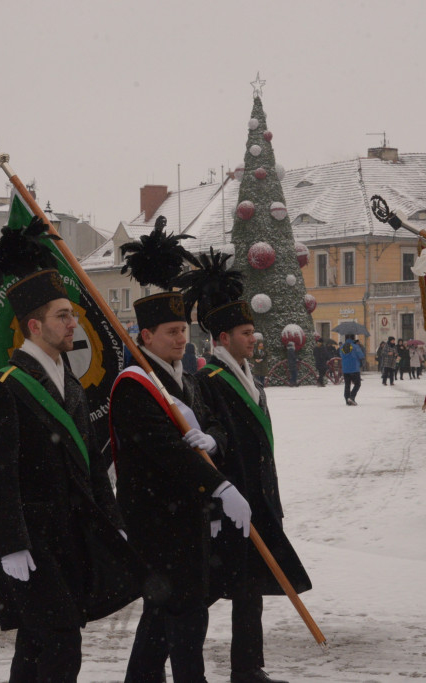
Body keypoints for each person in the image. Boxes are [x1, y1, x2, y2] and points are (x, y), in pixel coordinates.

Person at [0, 267, 143, 682]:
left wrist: (113, 519)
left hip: (72, 536)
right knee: (62, 641)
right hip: (32, 541)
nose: (74, 323)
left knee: (36, 643)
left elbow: (91, 461)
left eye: (73, 314)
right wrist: (11, 543)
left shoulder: (70, 382)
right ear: (35, 325)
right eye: (63, 315)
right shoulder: (6, 388)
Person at [113, 233, 251, 682]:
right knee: (186, 616)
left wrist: (212, 442)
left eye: (184, 332)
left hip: (188, 516)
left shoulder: (185, 379)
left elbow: (212, 426)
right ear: (145, 335)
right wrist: (220, 485)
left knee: (164, 614)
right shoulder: (136, 386)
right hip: (157, 520)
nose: (180, 339)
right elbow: (167, 451)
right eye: (171, 332)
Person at [186, 260, 310, 683]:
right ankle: (172, 659)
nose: (254, 339)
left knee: (250, 589)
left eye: (253, 332)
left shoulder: (248, 376)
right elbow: (212, 438)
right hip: (231, 503)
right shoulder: (211, 379)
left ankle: (248, 667)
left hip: (257, 499)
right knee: (203, 593)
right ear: (223, 338)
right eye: (245, 333)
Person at [339, 335, 365, 406]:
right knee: (357, 384)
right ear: (353, 338)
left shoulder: (342, 347)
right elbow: (361, 356)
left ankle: (347, 399)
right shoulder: (356, 347)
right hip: (354, 368)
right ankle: (352, 397)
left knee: (347, 384)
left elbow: (341, 355)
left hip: (345, 369)